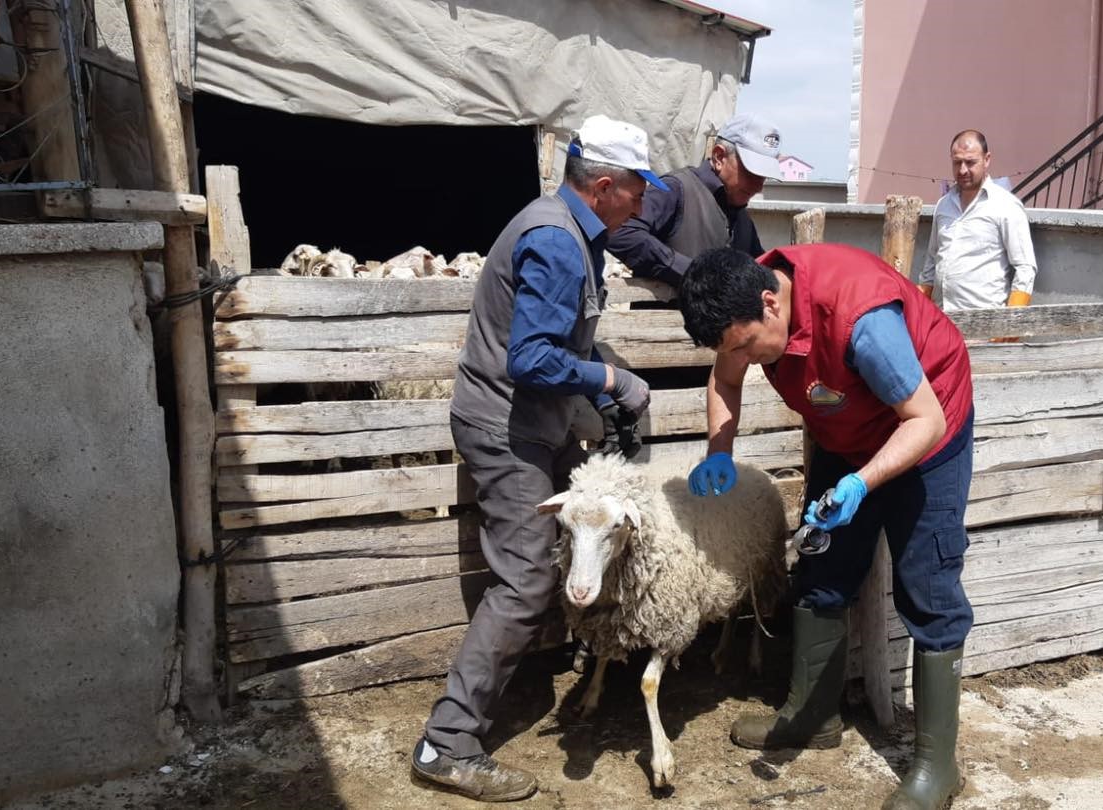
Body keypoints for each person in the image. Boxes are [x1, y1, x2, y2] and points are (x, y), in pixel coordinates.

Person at [411, 115, 662, 803]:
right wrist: (613, 382)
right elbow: (533, 358)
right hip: (506, 427)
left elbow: (555, 346)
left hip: (531, 424)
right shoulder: (555, 239)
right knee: (525, 577)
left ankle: (536, 675)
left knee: (562, 552)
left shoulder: (569, 232)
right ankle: (447, 742)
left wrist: (597, 402)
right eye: (637, 188)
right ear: (605, 185)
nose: (643, 201)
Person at [680, 244, 976, 810]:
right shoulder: (744, 316)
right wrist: (719, 448)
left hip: (928, 426)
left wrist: (863, 483)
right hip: (851, 429)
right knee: (821, 562)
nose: (741, 356)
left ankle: (938, 766)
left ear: (771, 304)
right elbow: (725, 378)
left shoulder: (862, 321)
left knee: (928, 586)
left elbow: (925, 419)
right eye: (730, 347)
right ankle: (813, 714)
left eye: (745, 344)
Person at [607, 112, 782, 288]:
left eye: (763, 177)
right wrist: (694, 274)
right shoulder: (676, 189)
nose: (758, 187)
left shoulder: (742, 219)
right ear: (719, 157)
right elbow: (621, 233)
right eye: (751, 173)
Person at [918, 129, 1038, 315]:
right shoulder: (944, 205)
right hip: (941, 321)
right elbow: (932, 260)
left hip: (984, 325)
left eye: (970, 162)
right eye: (957, 162)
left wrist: (1012, 321)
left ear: (986, 159)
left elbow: (1025, 267)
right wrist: (921, 307)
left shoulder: (1006, 205)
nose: (963, 170)